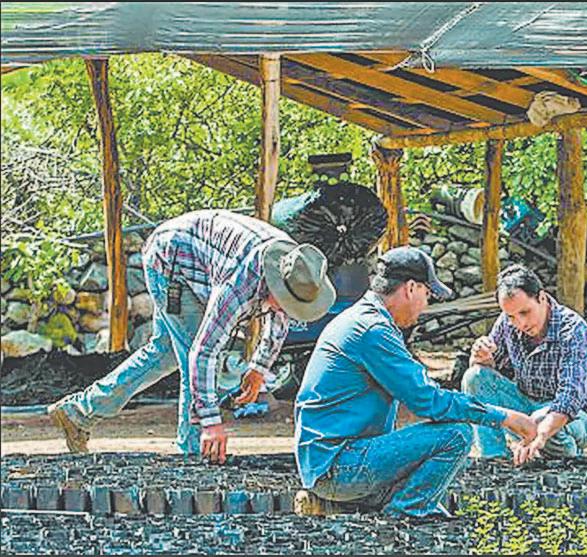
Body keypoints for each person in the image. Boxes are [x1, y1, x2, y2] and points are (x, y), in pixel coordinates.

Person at [48, 210, 335, 464]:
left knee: (164, 353)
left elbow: (279, 319)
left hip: (199, 260)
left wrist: (258, 369)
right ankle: (193, 452)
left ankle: (77, 413)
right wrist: (211, 422)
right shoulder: (242, 283)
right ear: (272, 283)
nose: (284, 308)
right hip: (172, 260)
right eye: (283, 301)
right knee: (190, 358)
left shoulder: (298, 272)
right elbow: (204, 353)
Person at [293, 246, 538, 519]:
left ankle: (351, 505)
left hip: (328, 462)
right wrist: (504, 417)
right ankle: (404, 516)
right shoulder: (372, 330)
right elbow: (428, 401)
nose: (425, 306)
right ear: (411, 288)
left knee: (436, 496)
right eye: (427, 294)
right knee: (456, 435)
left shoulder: (363, 319)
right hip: (337, 467)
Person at [462, 264, 587, 465]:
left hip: (577, 416)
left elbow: (570, 397)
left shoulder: (572, 329)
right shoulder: (507, 322)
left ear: (541, 298)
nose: (520, 323)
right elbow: (485, 379)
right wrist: (481, 358)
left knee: (543, 423)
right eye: (512, 316)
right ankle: (494, 457)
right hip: (528, 407)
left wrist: (540, 432)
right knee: (474, 377)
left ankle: (569, 457)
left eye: (525, 312)